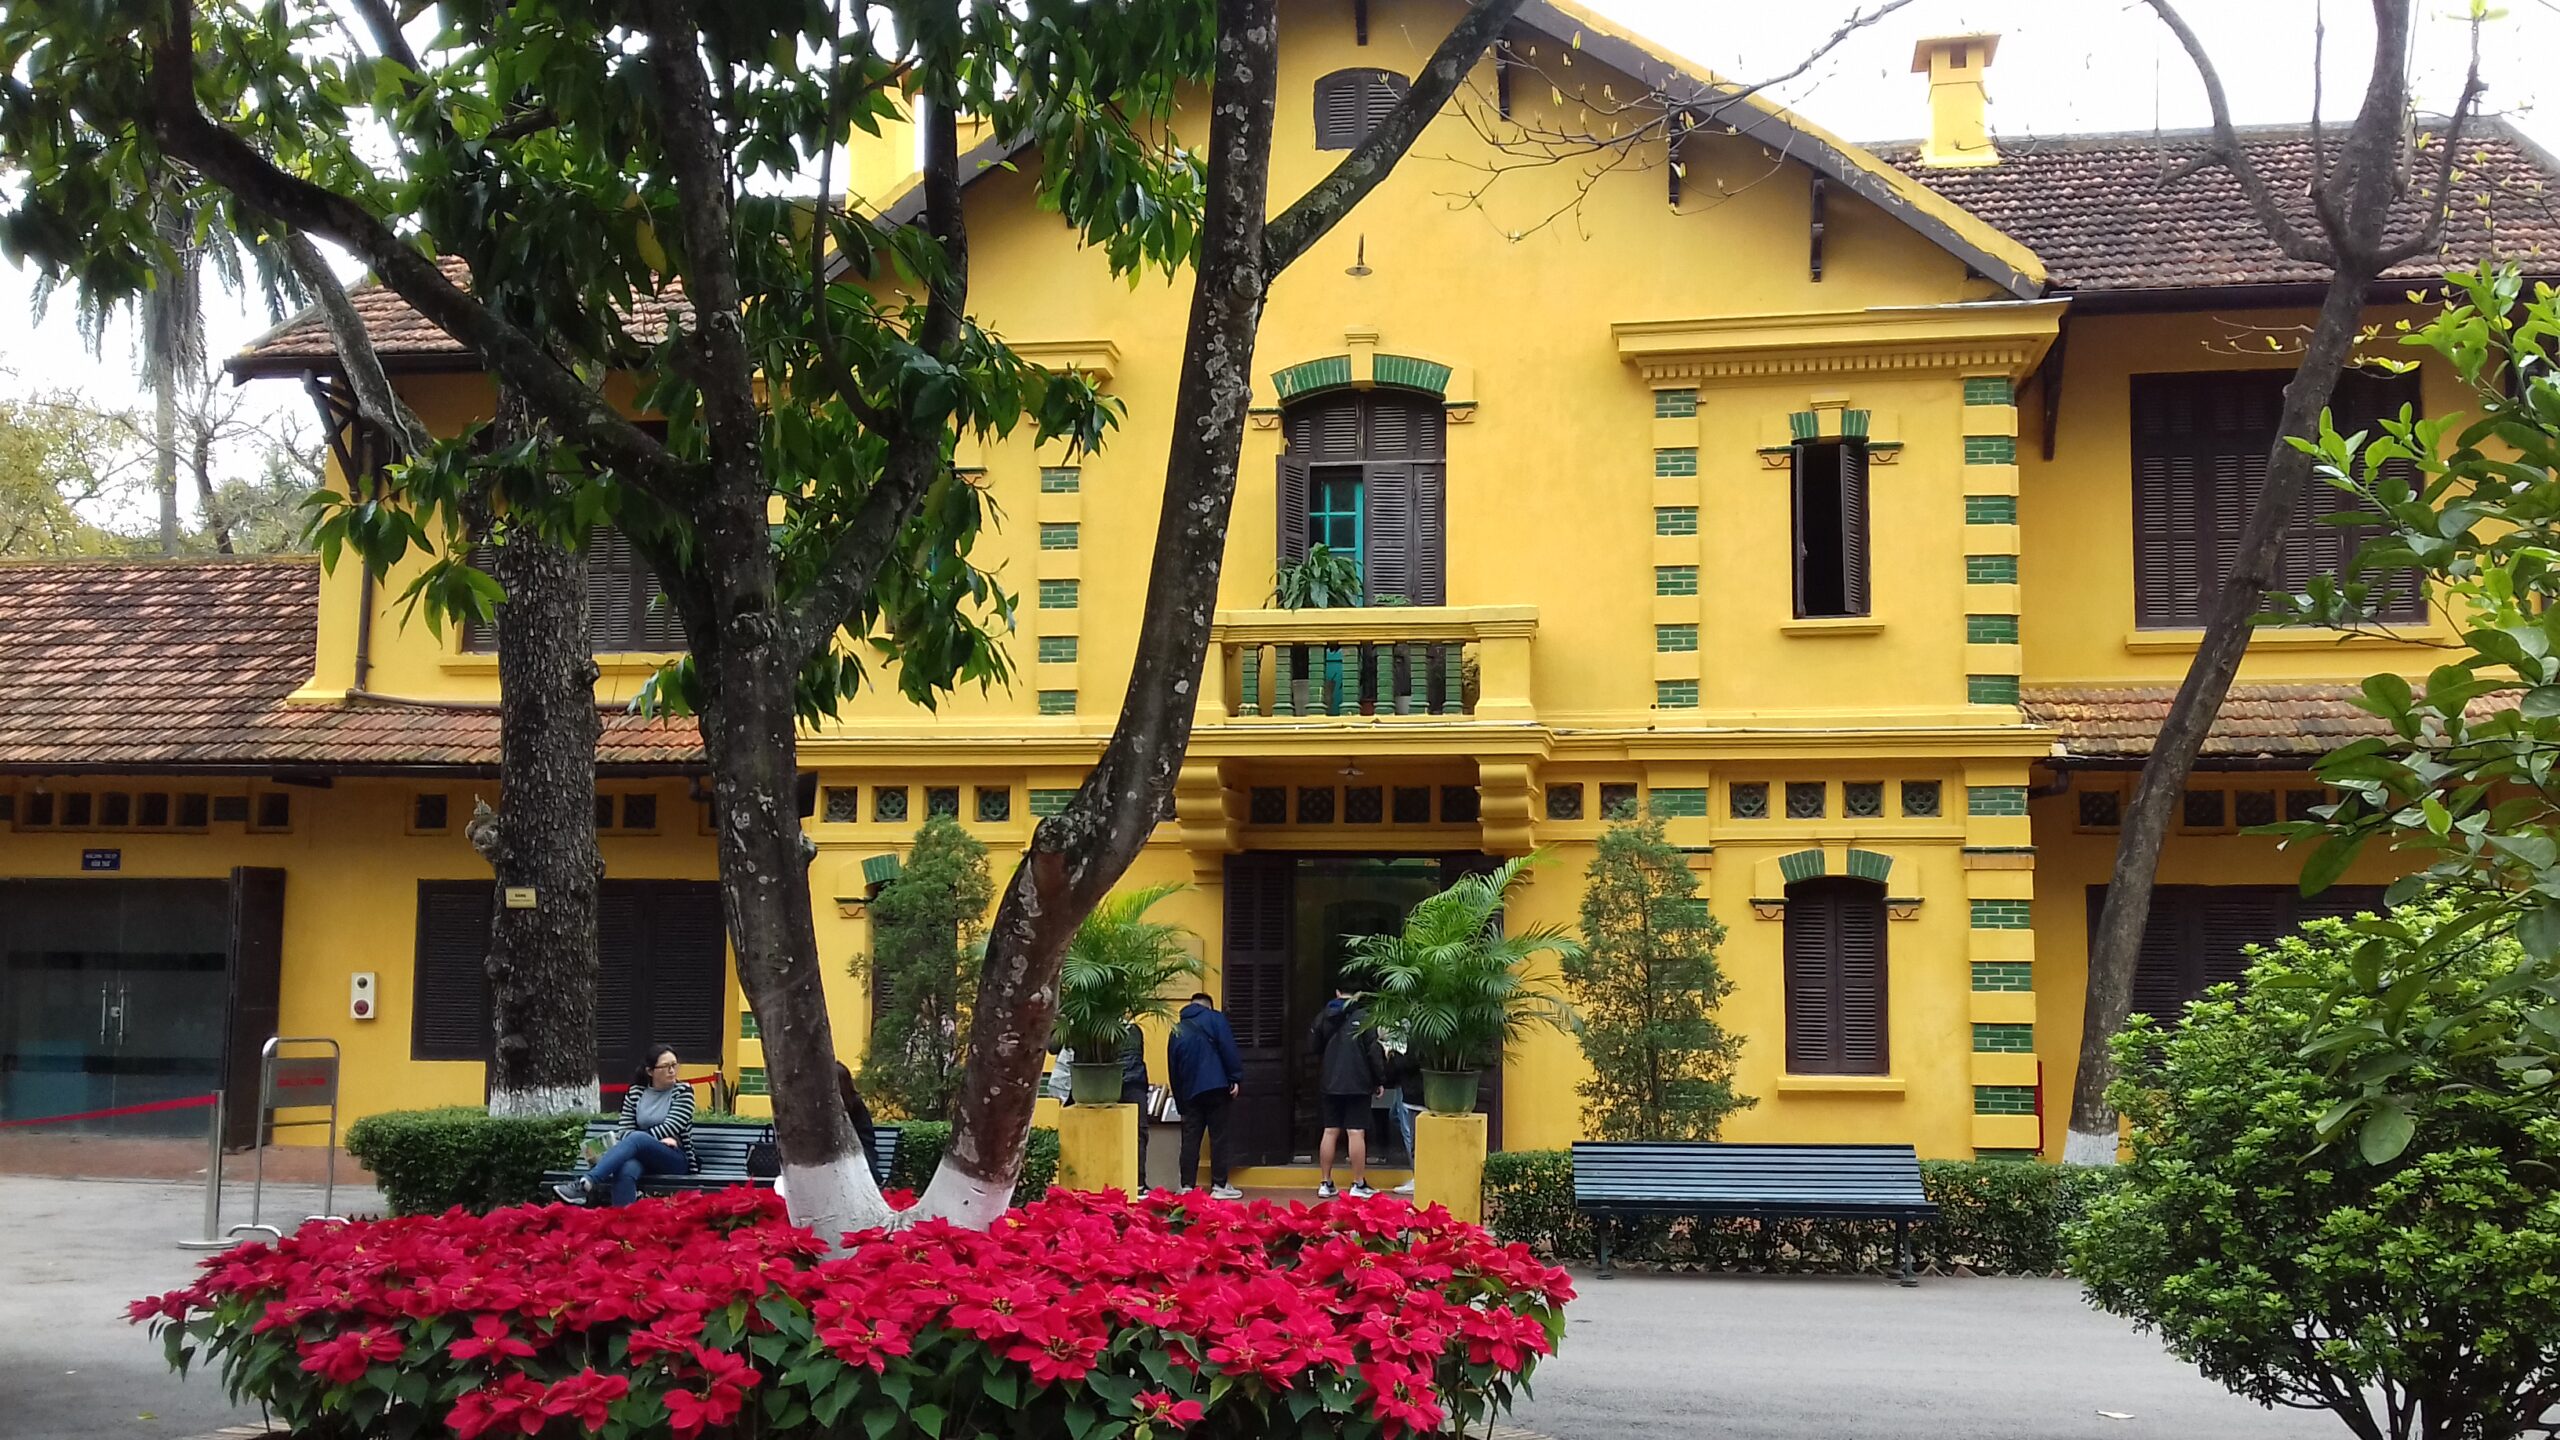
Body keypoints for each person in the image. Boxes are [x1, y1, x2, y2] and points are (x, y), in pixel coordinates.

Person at [555, 1043, 695, 1206]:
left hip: (674, 1158)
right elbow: (624, 1131)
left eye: (674, 1065)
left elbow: (671, 1126)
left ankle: (586, 1183)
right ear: (650, 1071)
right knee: (625, 1169)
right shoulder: (636, 1092)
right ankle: (623, 1218)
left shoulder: (683, 1092)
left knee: (638, 1138)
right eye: (665, 1066)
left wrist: (643, 1141)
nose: (672, 1071)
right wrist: (642, 1142)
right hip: (641, 1156)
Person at [1309, 987, 1387, 1199]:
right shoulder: (1364, 1017)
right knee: (1356, 1132)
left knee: (1330, 1131)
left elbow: (1313, 1046)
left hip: (1330, 1081)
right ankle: (1358, 1183)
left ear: (1337, 992)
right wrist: (1379, 1079)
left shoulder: (1324, 1016)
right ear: (1358, 995)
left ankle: (1325, 1183)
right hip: (1357, 1082)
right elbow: (1373, 1051)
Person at [1166, 991, 1244, 1200]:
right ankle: (1219, 1185)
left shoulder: (1177, 1029)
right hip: (1217, 1086)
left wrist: (1180, 1101)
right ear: (1208, 1006)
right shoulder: (1216, 1019)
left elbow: (1173, 1068)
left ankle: (1186, 1186)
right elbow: (1228, 1049)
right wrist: (1235, 1077)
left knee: (1190, 1139)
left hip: (1189, 1092)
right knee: (1219, 1137)